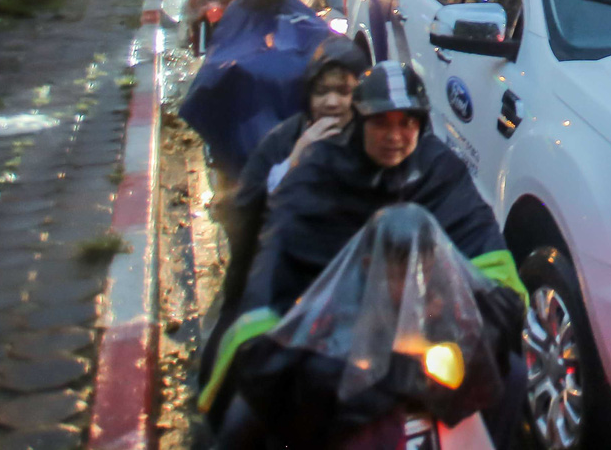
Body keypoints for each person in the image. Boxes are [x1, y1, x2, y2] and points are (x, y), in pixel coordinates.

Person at [202, 63, 524, 429]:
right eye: (381, 122)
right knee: (243, 422)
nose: (395, 135)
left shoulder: (439, 171)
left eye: (407, 122)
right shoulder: (317, 173)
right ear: (358, 122)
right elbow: (276, 266)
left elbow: (489, 261)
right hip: (335, 339)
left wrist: (477, 331)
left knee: (511, 378)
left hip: (426, 336)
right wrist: (279, 356)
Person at [201, 35, 370, 390]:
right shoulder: (281, 142)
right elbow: (245, 213)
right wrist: (294, 164)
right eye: (322, 91)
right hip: (284, 284)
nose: (333, 102)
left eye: (344, 90)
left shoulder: (379, 139)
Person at [177, 0, 332, 176]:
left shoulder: (297, 13)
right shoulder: (237, 14)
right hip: (249, 105)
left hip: (290, 104)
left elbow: (322, 41)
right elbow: (221, 56)